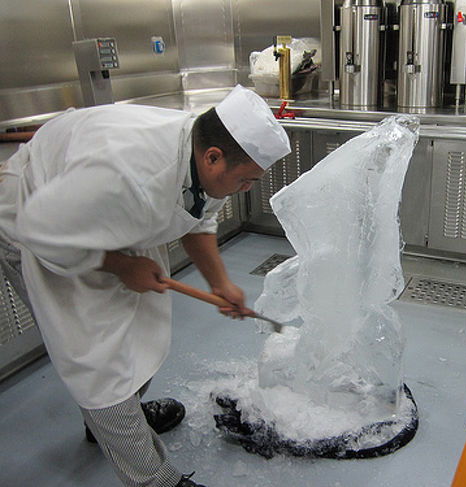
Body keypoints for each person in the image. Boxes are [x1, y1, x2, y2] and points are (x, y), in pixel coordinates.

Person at [0, 85, 291, 487]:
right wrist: (119, 265)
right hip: (38, 220)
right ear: (213, 158)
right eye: (245, 181)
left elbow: (199, 217)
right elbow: (41, 230)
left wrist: (220, 282)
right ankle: (154, 479)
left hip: (99, 210)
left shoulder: (204, 153)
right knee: (98, 356)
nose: (247, 189)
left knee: (142, 321)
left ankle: (112, 422)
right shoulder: (130, 171)